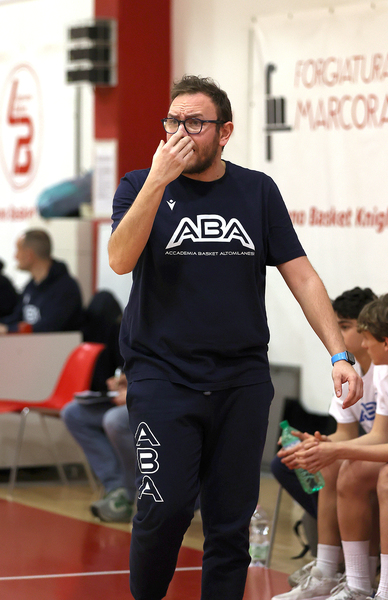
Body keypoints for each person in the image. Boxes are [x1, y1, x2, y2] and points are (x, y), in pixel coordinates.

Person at [108, 75, 363, 600]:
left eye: (195, 123)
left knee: (230, 523)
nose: (181, 133)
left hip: (241, 378)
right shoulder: (138, 185)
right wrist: (158, 181)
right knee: (164, 508)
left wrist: (338, 352)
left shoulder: (257, 191)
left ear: (224, 132)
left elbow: (302, 275)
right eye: (173, 121)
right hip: (162, 376)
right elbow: (119, 259)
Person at [271, 287, 378, 599]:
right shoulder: (350, 372)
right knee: (290, 462)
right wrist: (316, 443)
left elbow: (384, 438)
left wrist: (334, 449)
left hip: (382, 459)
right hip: (367, 453)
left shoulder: (387, 372)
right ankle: (328, 569)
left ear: (368, 328)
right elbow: (346, 433)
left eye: (344, 326)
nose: (336, 334)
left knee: (342, 467)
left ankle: (352, 571)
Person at [293, 292, 388, 600]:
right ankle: (354, 584)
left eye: (367, 338)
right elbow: (381, 435)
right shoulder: (385, 372)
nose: (363, 345)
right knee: (350, 470)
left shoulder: (378, 370)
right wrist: (325, 447)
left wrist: (339, 449)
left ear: (386, 342)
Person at [61, 370, 136, 522]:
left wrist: (135, 392)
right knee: (72, 413)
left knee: (114, 421)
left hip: (153, 399)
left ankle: (135, 493)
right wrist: (116, 384)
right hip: (125, 397)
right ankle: (116, 488)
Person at [0, 229, 83, 333]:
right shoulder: (31, 286)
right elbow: (17, 317)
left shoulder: (65, 288)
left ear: (29, 255)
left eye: (18, 250)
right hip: (31, 341)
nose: (15, 256)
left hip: (56, 343)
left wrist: (9, 329)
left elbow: (49, 327)